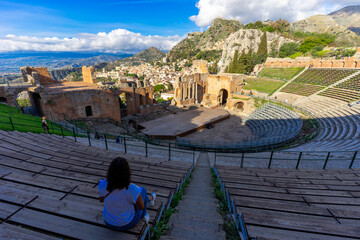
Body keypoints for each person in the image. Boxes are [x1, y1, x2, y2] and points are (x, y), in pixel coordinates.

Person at [99, 157, 156, 230]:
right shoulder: (132, 188)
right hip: (126, 224)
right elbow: (141, 207)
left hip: (108, 222)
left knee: (136, 195)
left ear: (110, 171)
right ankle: (145, 214)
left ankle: (150, 198)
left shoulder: (102, 184)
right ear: (127, 172)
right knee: (143, 190)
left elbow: (101, 200)